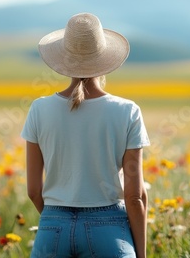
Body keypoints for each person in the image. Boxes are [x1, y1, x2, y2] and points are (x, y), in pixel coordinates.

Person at [21, 13, 150, 258]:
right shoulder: (127, 111)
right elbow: (134, 196)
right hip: (109, 230)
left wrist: (58, 221)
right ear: (105, 59)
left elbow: (33, 191)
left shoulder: (39, 109)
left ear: (64, 58)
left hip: (52, 227)